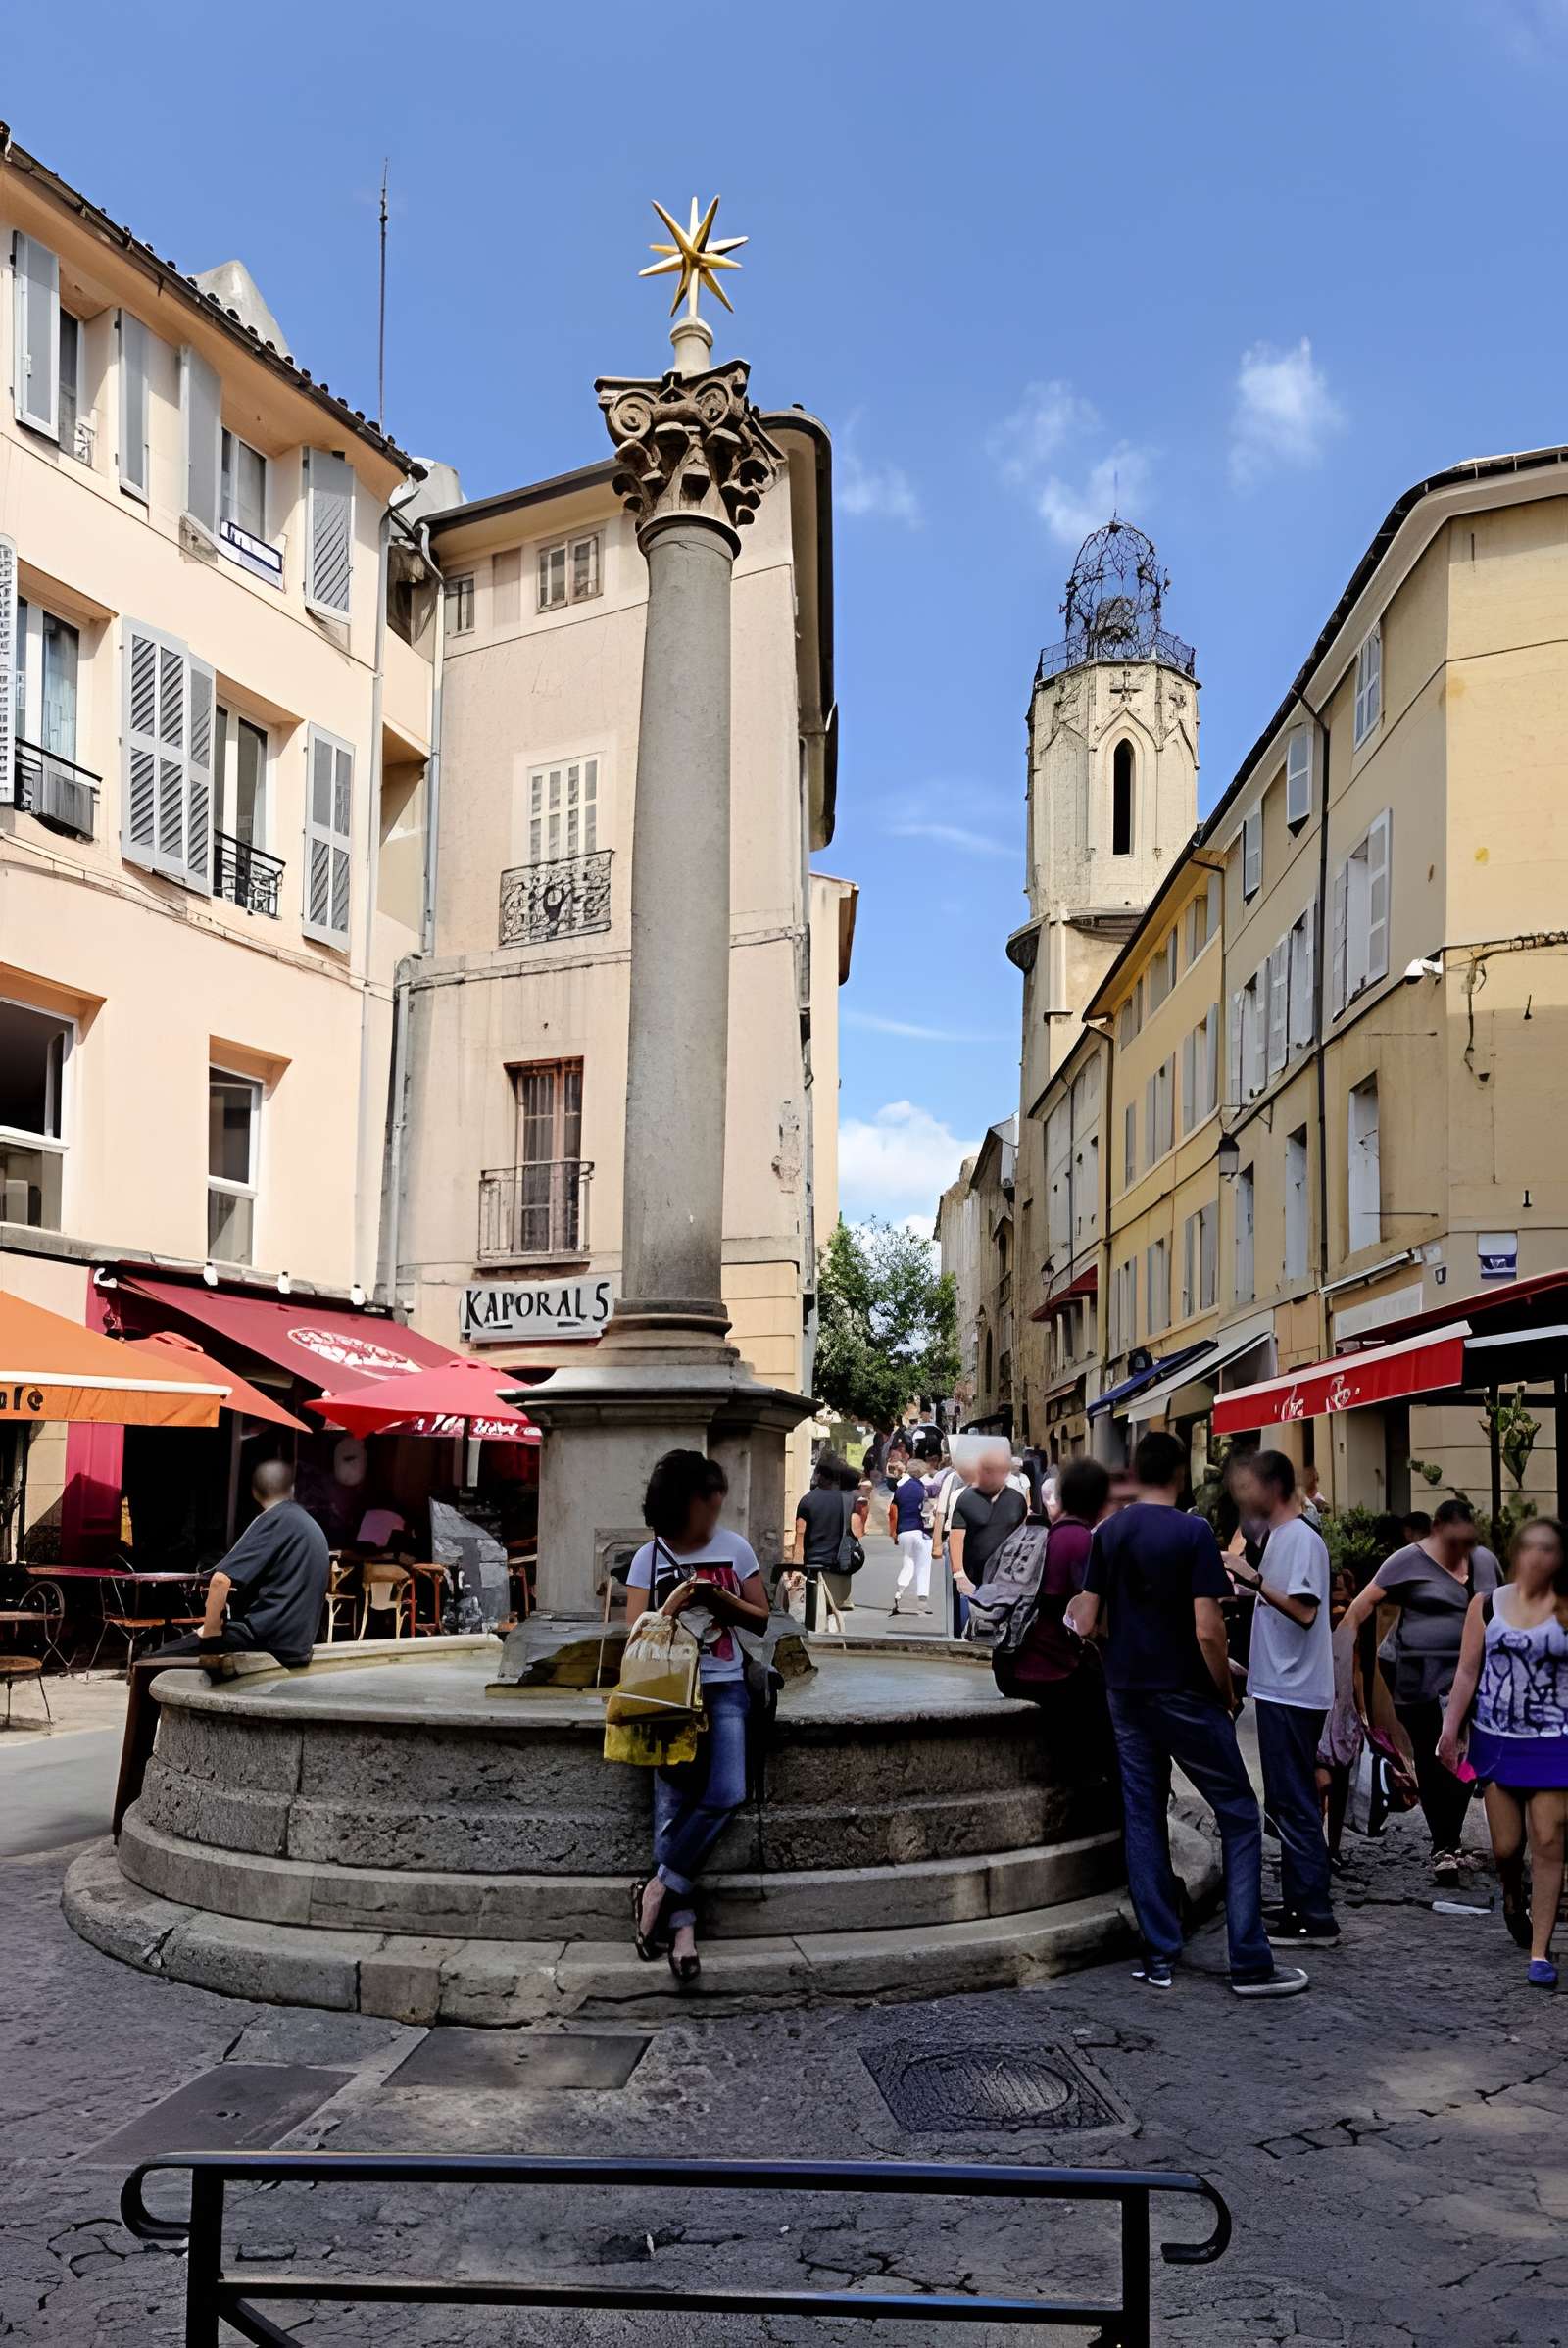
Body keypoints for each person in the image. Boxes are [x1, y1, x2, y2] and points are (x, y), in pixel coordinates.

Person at [1065, 1431, 1308, 1999]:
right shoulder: (1194, 1532)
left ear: (1135, 1471)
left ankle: (1159, 1953)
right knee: (1241, 1814)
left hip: (1127, 1691)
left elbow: (1089, 1619)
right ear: (1180, 1472)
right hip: (1182, 1690)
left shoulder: (1110, 1532)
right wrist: (1224, 1691)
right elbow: (1207, 1628)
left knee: (1144, 1811)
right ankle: (1249, 1960)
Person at [112, 1459, 329, 1836]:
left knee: (148, 1667)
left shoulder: (276, 1520)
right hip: (296, 1644)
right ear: (291, 1489)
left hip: (261, 1639)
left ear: (255, 1492)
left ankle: (126, 1812)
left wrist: (208, 1635)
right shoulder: (309, 1525)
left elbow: (221, 1580)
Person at [626, 1450, 768, 1985]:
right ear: (684, 1504)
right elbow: (635, 1635)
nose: (715, 1516)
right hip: (668, 1695)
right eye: (708, 1507)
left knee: (728, 1791)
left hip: (725, 1684)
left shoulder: (735, 1549)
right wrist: (677, 1604)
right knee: (672, 1807)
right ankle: (683, 1934)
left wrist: (722, 1602)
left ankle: (658, 1886)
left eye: (718, 1506)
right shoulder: (649, 1557)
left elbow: (761, 1619)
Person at [1343, 1497, 1501, 1884]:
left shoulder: (1484, 1563)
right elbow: (1359, 1609)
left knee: (1468, 1761)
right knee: (1434, 1758)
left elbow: (1504, 1612)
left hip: (1471, 1681)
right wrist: (1338, 1662)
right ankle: (1444, 1847)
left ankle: (1450, 1836)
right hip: (1415, 1680)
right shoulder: (1407, 1561)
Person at [1439, 1518, 1568, 1988]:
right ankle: (1514, 1895)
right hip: (1497, 1741)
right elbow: (1467, 1674)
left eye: (1548, 1549)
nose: (1537, 1557)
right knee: (1506, 1848)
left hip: (1556, 1743)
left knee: (1550, 1844)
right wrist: (1450, 1730)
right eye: (1530, 1547)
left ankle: (1540, 1951)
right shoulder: (1487, 1605)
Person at [1225, 1451, 1339, 1948]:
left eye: (1247, 1487)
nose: (1240, 1497)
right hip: (1280, 1687)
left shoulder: (1299, 1539)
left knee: (1294, 1802)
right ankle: (1300, 1904)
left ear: (1271, 1488)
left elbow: (1305, 1610)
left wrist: (1250, 1578)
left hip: (1293, 1692)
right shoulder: (1281, 1539)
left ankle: (1314, 1915)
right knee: (1288, 1800)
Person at [948, 1443, 1028, 1637]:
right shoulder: (967, 1498)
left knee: (1004, 1632)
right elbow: (957, 1535)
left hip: (1007, 1577)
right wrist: (959, 1574)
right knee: (973, 1632)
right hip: (974, 1577)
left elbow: (1024, 1535)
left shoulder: (1017, 1499)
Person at [1316, 1568, 1364, 1868]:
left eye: (1343, 1598)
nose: (1338, 1606)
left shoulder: (1353, 1628)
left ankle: (1332, 1848)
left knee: (1340, 1787)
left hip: (1344, 1714)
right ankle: (1316, 1844)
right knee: (1320, 1782)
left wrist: (1364, 1712)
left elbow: (1357, 1670)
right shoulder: (1314, 1625)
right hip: (1319, 1712)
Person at [787, 1451, 865, 1629]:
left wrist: (795, 1567)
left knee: (814, 1615)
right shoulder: (849, 1499)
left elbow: (800, 1535)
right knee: (834, 1612)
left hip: (813, 1566)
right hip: (840, 1566)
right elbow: (857, 1531)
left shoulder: (807, 1500)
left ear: (820, 1475)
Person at [888, 1452, 935, 1617]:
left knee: (908, 1562)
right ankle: (922, 1600)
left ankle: (899, 1593)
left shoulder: (900, 1489)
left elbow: (892, 1512)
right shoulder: (924, 1489)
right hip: (920, 1530)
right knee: (923, 1565)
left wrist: (893, 1532)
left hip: (903, 1531)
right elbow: (928, 1511)